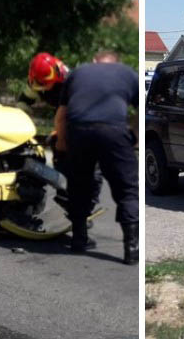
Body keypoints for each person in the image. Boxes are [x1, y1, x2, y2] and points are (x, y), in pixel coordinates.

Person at [57, 50, 139, 265]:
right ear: (116, 62)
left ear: (94, 61)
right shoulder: (128, 73)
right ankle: (131, 249)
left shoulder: (77, 73)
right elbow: (143, 110)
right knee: (127, 189)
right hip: (114, 130)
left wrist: (62, 143)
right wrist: (135, 137)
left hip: (79, 130)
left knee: (78, 184)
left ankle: (78, 240)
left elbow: (61, 116)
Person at [26, 52, 103, 217]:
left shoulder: (72, 83)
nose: (43, 87)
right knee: (57, 146)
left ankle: (87, 205)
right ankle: (66, 194)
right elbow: (23, 103)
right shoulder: (36, 82)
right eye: (39, 84)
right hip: (65, 119)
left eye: (46, 83)